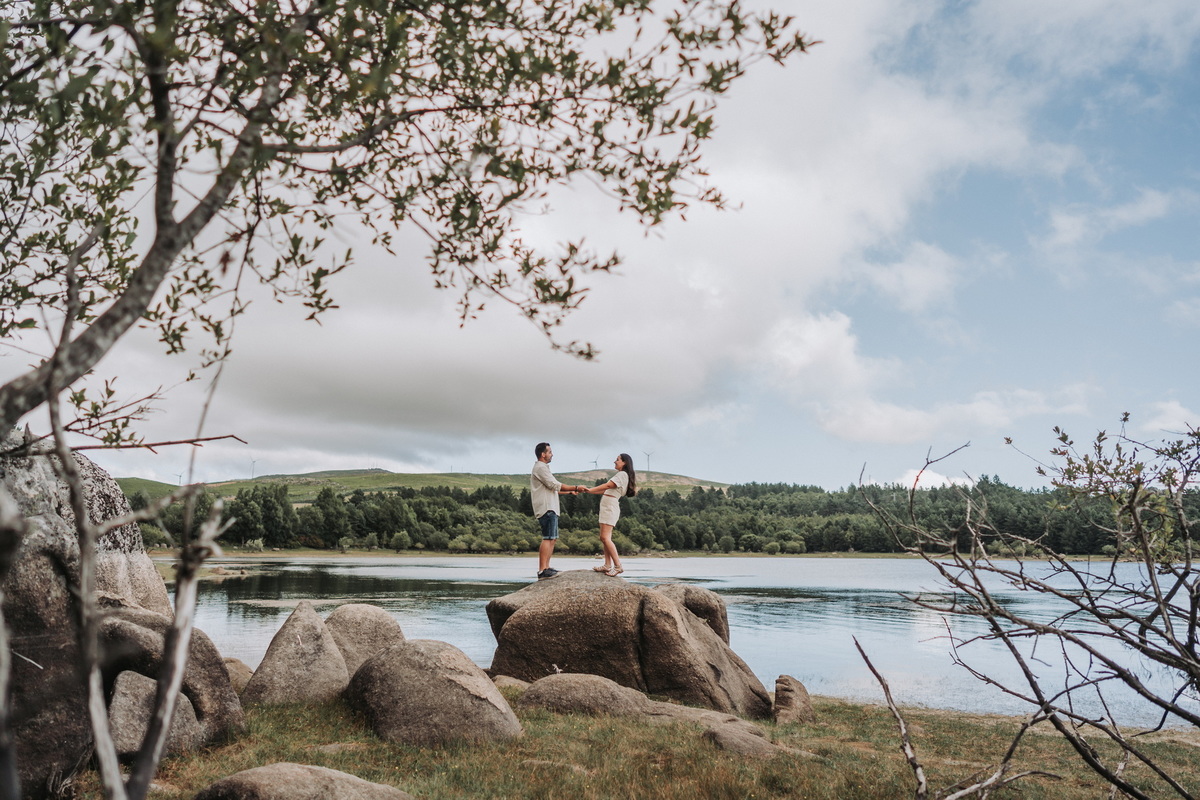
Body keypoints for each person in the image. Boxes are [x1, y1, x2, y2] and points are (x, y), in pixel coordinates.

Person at [530, 442, 585, 580]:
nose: (552, 454)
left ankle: (547, 568)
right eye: (549, 452)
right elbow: (554, 485)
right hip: (546, 507)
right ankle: (542, 570)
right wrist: (576, 487)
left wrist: (569, 492)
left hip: (551, 507)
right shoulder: (540, 468)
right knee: (548, 538)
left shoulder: (544, 468)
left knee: (552, 539)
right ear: (543, 454)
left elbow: (552, 489)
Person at [580, 453, 637, 577]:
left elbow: (607, 485)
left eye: (617, 460)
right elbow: (605, 490)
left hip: (610, 507)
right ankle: (607, 565)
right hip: (607, 506)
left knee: (605, 538)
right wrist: (589, 491)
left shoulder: (622, 474)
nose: (614, 462)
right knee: (604, 538)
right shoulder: (623, 475)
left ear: (624, 462)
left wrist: (590, 489)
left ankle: (618, 566)